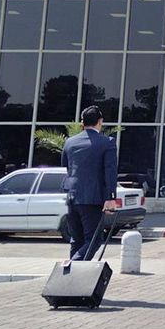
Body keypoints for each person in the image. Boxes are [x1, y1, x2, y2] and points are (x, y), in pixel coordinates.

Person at [60, 105, 118, 262]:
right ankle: (72, 265)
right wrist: (111, 197)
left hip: (72, 196)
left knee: (76, 239)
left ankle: (71, 279)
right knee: (94, 240)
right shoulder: (108, 143)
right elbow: (110, 171)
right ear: (100, 122)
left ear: (82, 123)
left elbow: (66, 166)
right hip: (92, 199)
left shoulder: (70, 142)